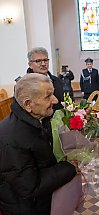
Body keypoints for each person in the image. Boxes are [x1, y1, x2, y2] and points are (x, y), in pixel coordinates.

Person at [0, 73, 79, 215]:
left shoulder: (37, 119)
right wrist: (68, 167)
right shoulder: (12, 140)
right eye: (48, 96)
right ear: (28, 104)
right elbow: (30, 187)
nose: (55, 100)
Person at [27, 47, 63, 111]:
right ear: (30, 65)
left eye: (45, 60)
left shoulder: (58, 81)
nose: (43, 64)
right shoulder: (24, 85)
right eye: (38, 61)